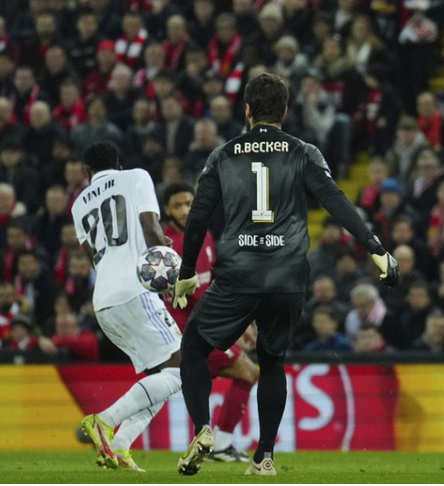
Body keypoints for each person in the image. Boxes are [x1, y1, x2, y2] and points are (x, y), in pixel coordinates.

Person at [172, 74, 399, 477]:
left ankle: (204, 428)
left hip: (238, 274)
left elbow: (197, 216)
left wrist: (187, 271)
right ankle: (265, 457)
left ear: (246, 109)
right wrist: (374, 246)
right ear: (285, 111)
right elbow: (334, 199)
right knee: (272, 362)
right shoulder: (303, 151)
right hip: (287, 275)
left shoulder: (223, 155)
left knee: (193, 349)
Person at [72, 141, 181, 473]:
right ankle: (105, 422)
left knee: (158, 376)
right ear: (118, 164)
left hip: (104, 301)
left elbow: (93, 259)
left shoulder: (78, 205)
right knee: (183, 368)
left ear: (86, 172)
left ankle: (119, 446)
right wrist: (167, 263)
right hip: (135, 290)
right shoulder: (136, 177)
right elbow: (150, 227)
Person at [162, 182, 259, 463]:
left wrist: (241, 323)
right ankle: (220, 444)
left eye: (189, 203)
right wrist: (234, 326)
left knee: (244, 373)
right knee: (248, 372)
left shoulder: (203, 235)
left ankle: (220, 443)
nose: (184, 210)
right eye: (178, 205)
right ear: (167, 209)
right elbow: (190, 297)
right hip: (188, 331)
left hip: (207, 326)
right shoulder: (165, 247)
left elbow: (213, 281)